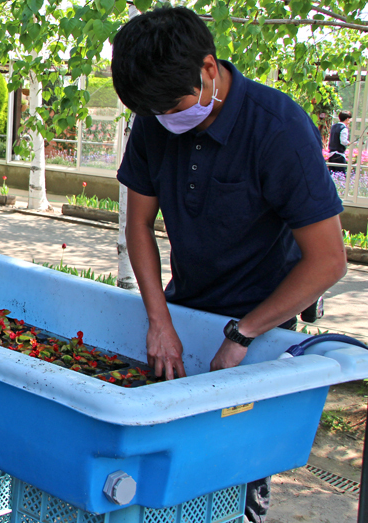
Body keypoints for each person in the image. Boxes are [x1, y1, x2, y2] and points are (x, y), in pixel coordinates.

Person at [111, 7, 347, 523]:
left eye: (174, 107)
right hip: (186, 305)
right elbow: (138, 224)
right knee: (172, 458)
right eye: (154, 115)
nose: (167, 122)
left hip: (264, 320)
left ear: (210, 70)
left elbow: (329, 261)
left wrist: (243, 336)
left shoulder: (278, 128)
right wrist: (160, 320)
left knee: (239, 465)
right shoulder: (155, 119)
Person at [328, 110, 352, 174]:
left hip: (331, 154)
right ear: (347, 119)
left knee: (332, 174)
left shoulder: (334, 127)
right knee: (340, 174)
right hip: (339, 155)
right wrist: (350, 143)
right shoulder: (344, 128)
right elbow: (343, 142)